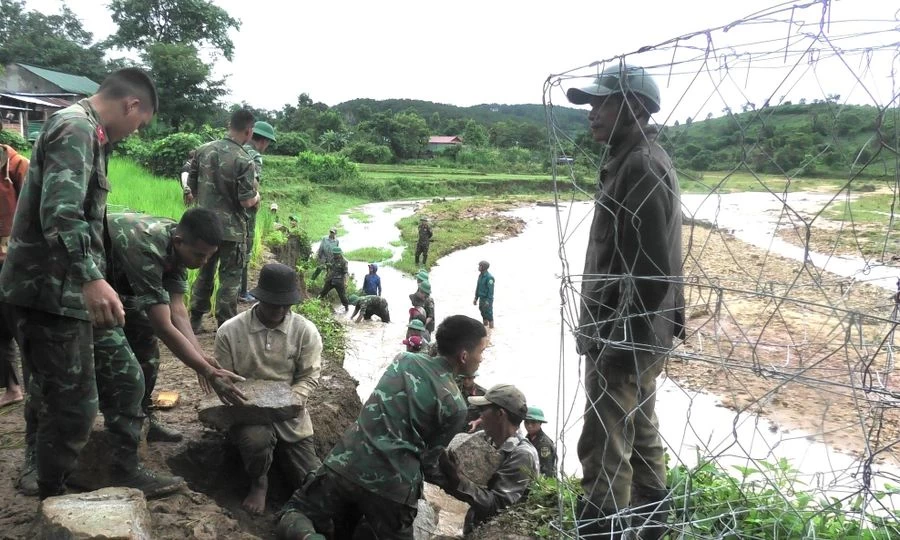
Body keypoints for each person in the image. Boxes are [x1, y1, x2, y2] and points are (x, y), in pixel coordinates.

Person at [0, 68, 186, 500]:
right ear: (131, 105)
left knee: (125, 380)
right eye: (139, 124)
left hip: (75, 292)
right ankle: (54, 494)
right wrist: (92, 279)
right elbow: (61, 214)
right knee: (69, 406)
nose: (135, 133)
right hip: (48, 293)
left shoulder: (93, 135)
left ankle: (123, 468)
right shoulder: (75, 127)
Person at [567, 64, 683, 539]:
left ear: (635, 107)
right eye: (591, 104)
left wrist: (616, 346)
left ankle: (601, 530)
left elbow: (652, 275)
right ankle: (654, 527)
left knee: (604, 442)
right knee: (641, 432)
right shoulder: (632, 157)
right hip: (636, 333)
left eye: (602, 102)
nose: (591, 113)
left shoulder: (639, 165)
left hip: (623, 334)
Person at [277, 315, 488, 539]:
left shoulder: (403, 359)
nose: (482, 359)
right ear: (464, 356)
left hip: (345, 464)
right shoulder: (456, 405)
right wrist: (456, 481)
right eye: (481, 352)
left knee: (294, 512)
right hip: (393, 490)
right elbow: (428, 464)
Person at [105, 209, 246, 443]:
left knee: (148, 356)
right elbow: (163, 326)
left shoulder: (179, 245)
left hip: (122, 282)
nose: (204, 263)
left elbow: (178, 311)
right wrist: (208, 372)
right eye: (200, 256)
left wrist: (202, 358)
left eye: (209, 257)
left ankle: (145, 421)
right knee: (120, 365)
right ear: (179, 242)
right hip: (80, 276)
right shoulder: (148, 247)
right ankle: (121, 434)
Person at [217, 263, 323, 515]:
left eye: (286, 304)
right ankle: (259, 482)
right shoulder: (230, 331)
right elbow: (223, 381)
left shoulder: (305, 331)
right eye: (273, 303)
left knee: (314, 483)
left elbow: (309, 377)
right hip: (247, 410)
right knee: (256, 440)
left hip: (290, 412)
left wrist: (292, 401)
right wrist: (239, 401)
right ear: (259, 297)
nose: (280, 309)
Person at [188, 109, 260, 333]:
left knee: (205, 272)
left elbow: (191, 188)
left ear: (230, 125)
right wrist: (258, 196)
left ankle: (195, 320)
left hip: (204, 228)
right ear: (248, 132)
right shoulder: (244, 160)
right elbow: (247, 201)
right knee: (230, 278)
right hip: (232, 231)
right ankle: (225, 324)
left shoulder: (202, 151)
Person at [437, 384, 539, 533]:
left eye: (483, 410)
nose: (480, 416)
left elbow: (498, 506)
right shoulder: (488, 442)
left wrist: (458, 480)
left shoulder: (522, 454)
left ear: (500, 414)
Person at [0, 142, 28, 408]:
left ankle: (35, 388)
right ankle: (12, 387)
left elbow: (35, 211)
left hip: (15, 262)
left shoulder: (18, 166)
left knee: (23, 325)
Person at [239, 121, 277, 303]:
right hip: (246, 209)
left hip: (229, 208)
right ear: (263, 141)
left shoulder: (236, 148)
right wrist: (257, 198)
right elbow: (253, 182)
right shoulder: (254, 155)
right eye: (268, 143)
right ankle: (242, 292)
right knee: (245, 250)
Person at [524, 406, 557, 478]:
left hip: (542, 484)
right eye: (527, 422)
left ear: (540, 423)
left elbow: (547, 472)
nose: (529, 425)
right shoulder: (527, 439)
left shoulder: (544, 444)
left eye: (533, 422)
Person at [319, 245, 349, 312]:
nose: (335, 255)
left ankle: (346, 307)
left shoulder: (344, 262)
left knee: (342, 296)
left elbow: (346, 273)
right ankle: (317, 302)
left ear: (339, 253)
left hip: (339, 281)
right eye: (334, 253)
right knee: (323, 292)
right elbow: (330, 269)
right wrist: (326, 275)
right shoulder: (332, 259)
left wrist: (346, 282)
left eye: (336, 254)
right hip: (330, 279)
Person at [473, 260, 495, 329]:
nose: (478, 267)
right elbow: (478, 287)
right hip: (481, 298)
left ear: (484, 267)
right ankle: (486, 329)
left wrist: (488, 301)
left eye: (480, 266)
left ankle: (491, 329)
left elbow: (491, 291)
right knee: (483, 313)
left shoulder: (489, 277)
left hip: (487, 299)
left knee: (489, 314)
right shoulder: (480, 276)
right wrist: (476, 298)